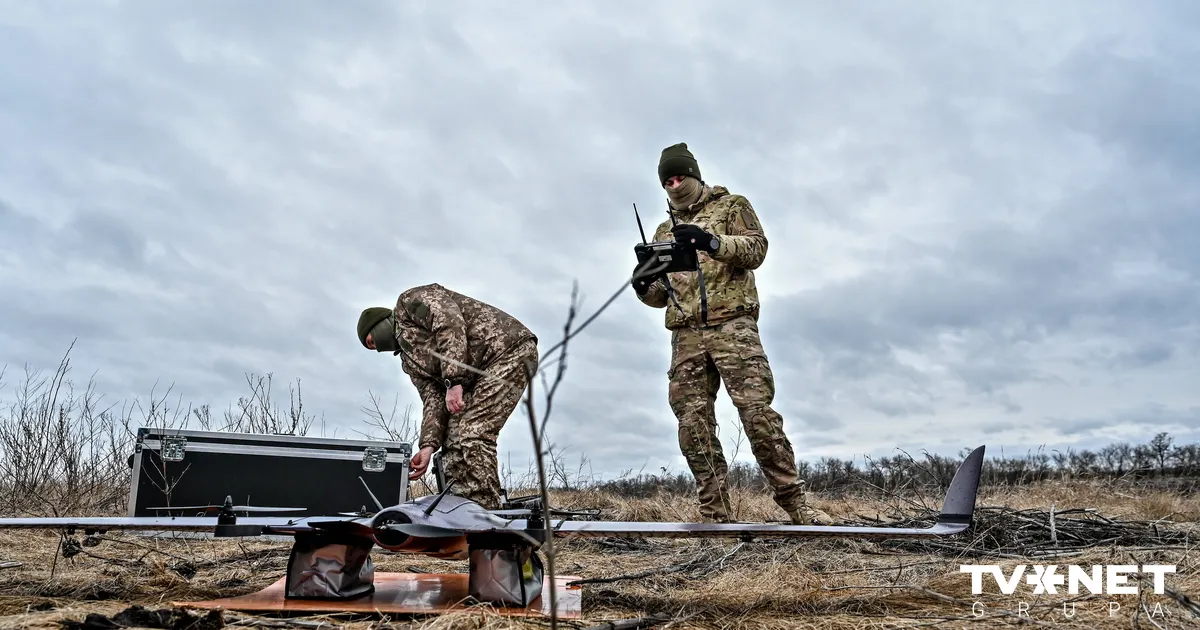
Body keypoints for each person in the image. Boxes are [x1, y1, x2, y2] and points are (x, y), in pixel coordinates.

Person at [631, 142, 833, 525]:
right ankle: (715, 512)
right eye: (668, 180)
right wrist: (643, 285)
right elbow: (662, 296)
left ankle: (796, 503)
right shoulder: (662, 229)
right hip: (686, 335)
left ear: (695, 175)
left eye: (680, 176)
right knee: (692, 425)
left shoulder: (731, 206)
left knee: (757, 414)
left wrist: (711, 241)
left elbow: (756, 249)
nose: (675, 185)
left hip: (733, 326)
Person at [357, 283, 538, 510]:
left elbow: (449, 323)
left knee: (474, 430)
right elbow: (432, 398)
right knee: (453, 438)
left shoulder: (409, 303)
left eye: (372, 341)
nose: (376, 348)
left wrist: (453, 380)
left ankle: (486, 515)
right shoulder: (410, 362)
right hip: (473, 375)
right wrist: (428, 445)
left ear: (379, 323)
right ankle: (460, 507)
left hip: (508, 351)